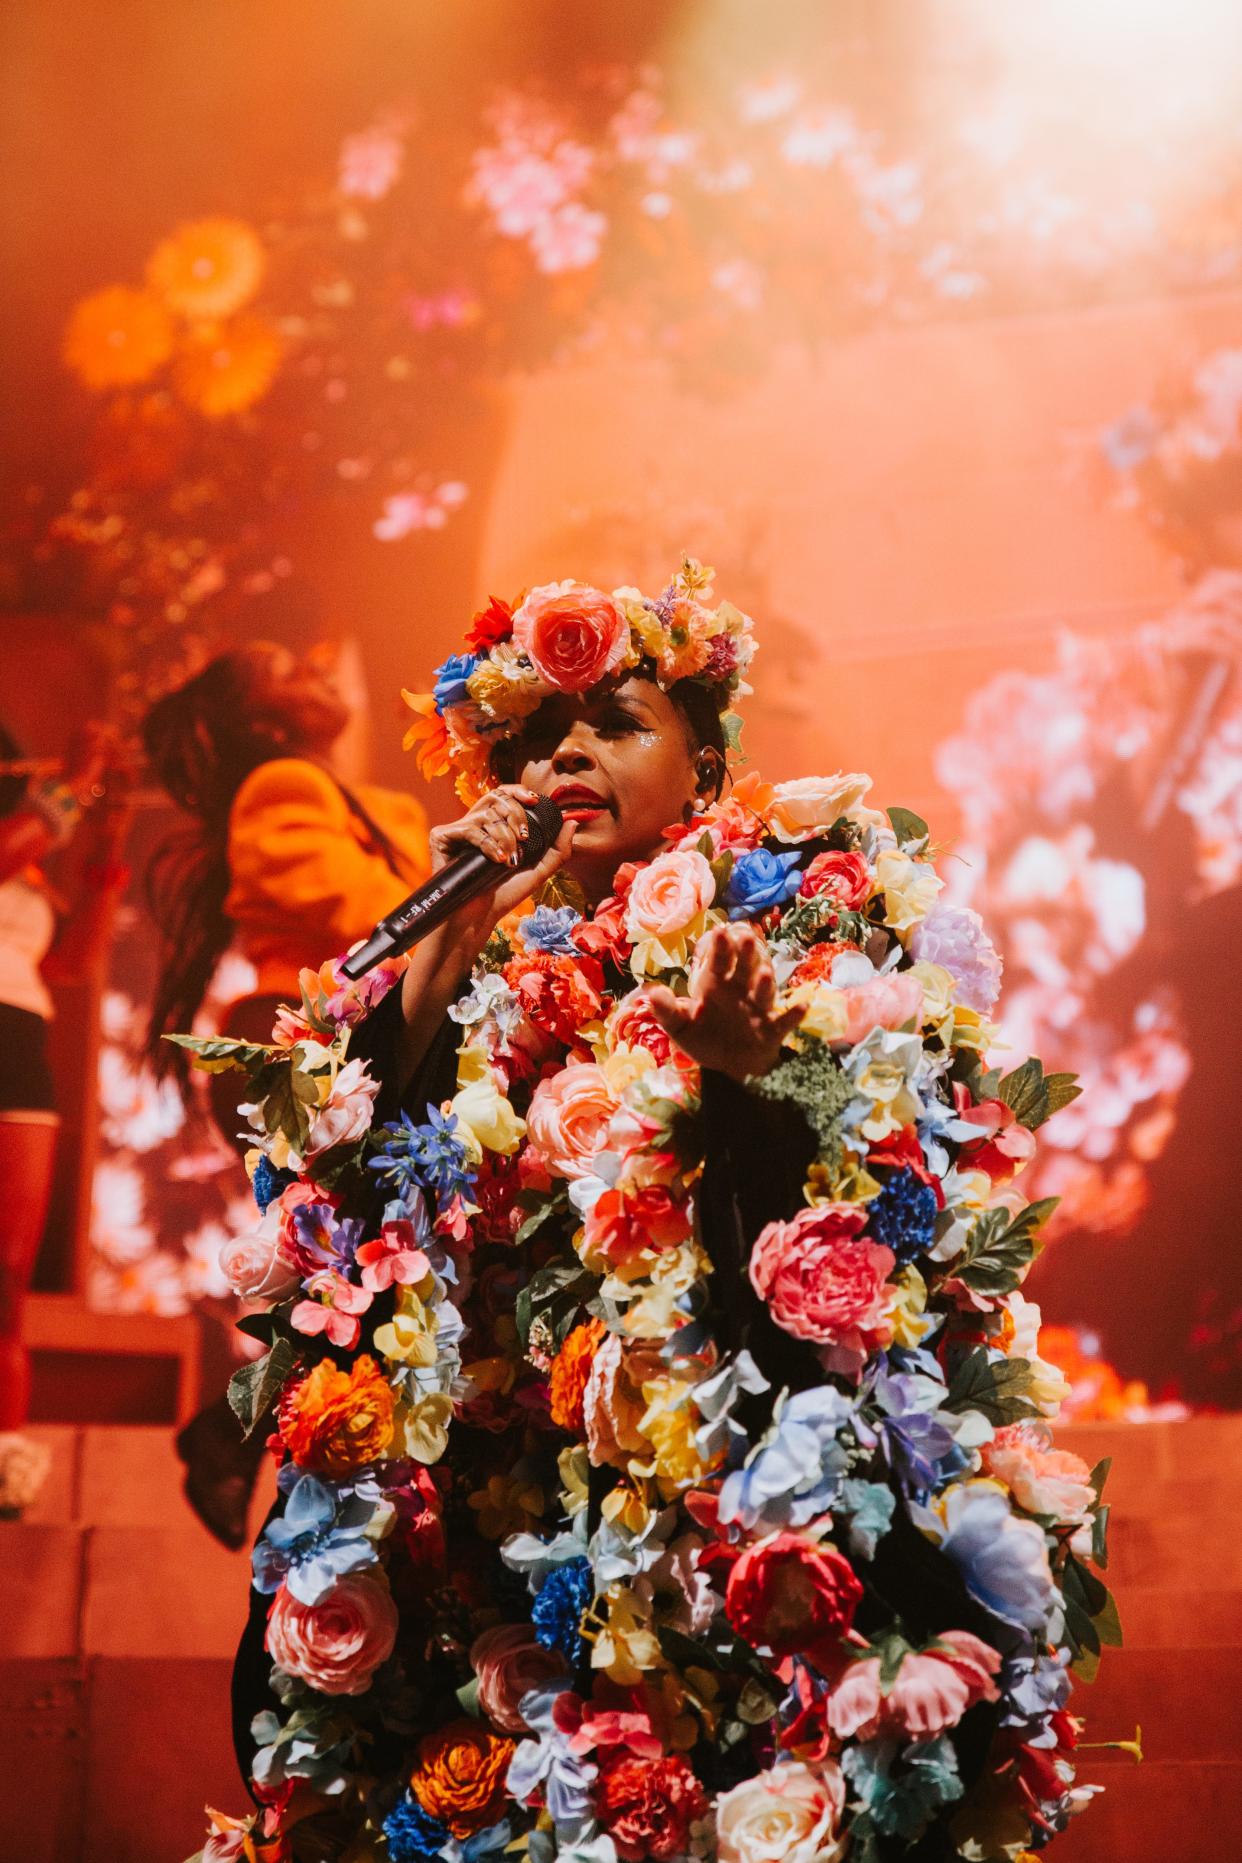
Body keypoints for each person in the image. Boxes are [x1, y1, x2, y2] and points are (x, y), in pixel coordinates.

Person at [206, 569, 1108, 1863]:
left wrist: (752, 1084)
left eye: (614, 719)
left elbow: (862, 1252)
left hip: (716, 1510)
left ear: (705, 760)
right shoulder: (467, 951)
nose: (563, 747)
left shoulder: (810, 918)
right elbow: (352, 1236)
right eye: (530, 735)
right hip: (497, 1530)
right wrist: (447, 954)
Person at [142, 642, 431, 1545]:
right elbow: (369, 920)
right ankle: (240, 1441)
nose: (322, 670)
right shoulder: (278, 787)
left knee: (361, 1276)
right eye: (290, 671)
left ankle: (231, 1437)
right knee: (356, 1273)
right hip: (300, 1051)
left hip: (371, 1051)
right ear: (266, 722)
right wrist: (467, 904)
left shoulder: (379, 804)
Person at [0, 720, 131, 1506]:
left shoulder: (29, 869)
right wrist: (77, 782)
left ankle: (4, 1453)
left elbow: (72, 962)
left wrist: (109, 842)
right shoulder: (19, 842)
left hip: (20, 1048)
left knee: (8, 1275)